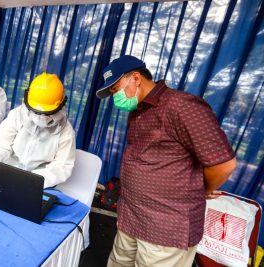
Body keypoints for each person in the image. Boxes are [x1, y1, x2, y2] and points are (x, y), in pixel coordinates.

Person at [96, 55, 237, 267]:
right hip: (132, 217)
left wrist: (202, 189)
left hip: (165, 228)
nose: (115, 97)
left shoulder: (182, 106)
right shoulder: (139, 110)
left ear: (135, 78)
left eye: (116, 89)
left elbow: (223, 165)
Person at [0, 72, 76, 188]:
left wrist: (32, 181)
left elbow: (62, 166)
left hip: (39, 183)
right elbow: (0, 145)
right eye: (36, 111)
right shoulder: (17, 115)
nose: (40, 117)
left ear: (59, 107)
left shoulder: (66, 132)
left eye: (47, 113)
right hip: (7, 174)